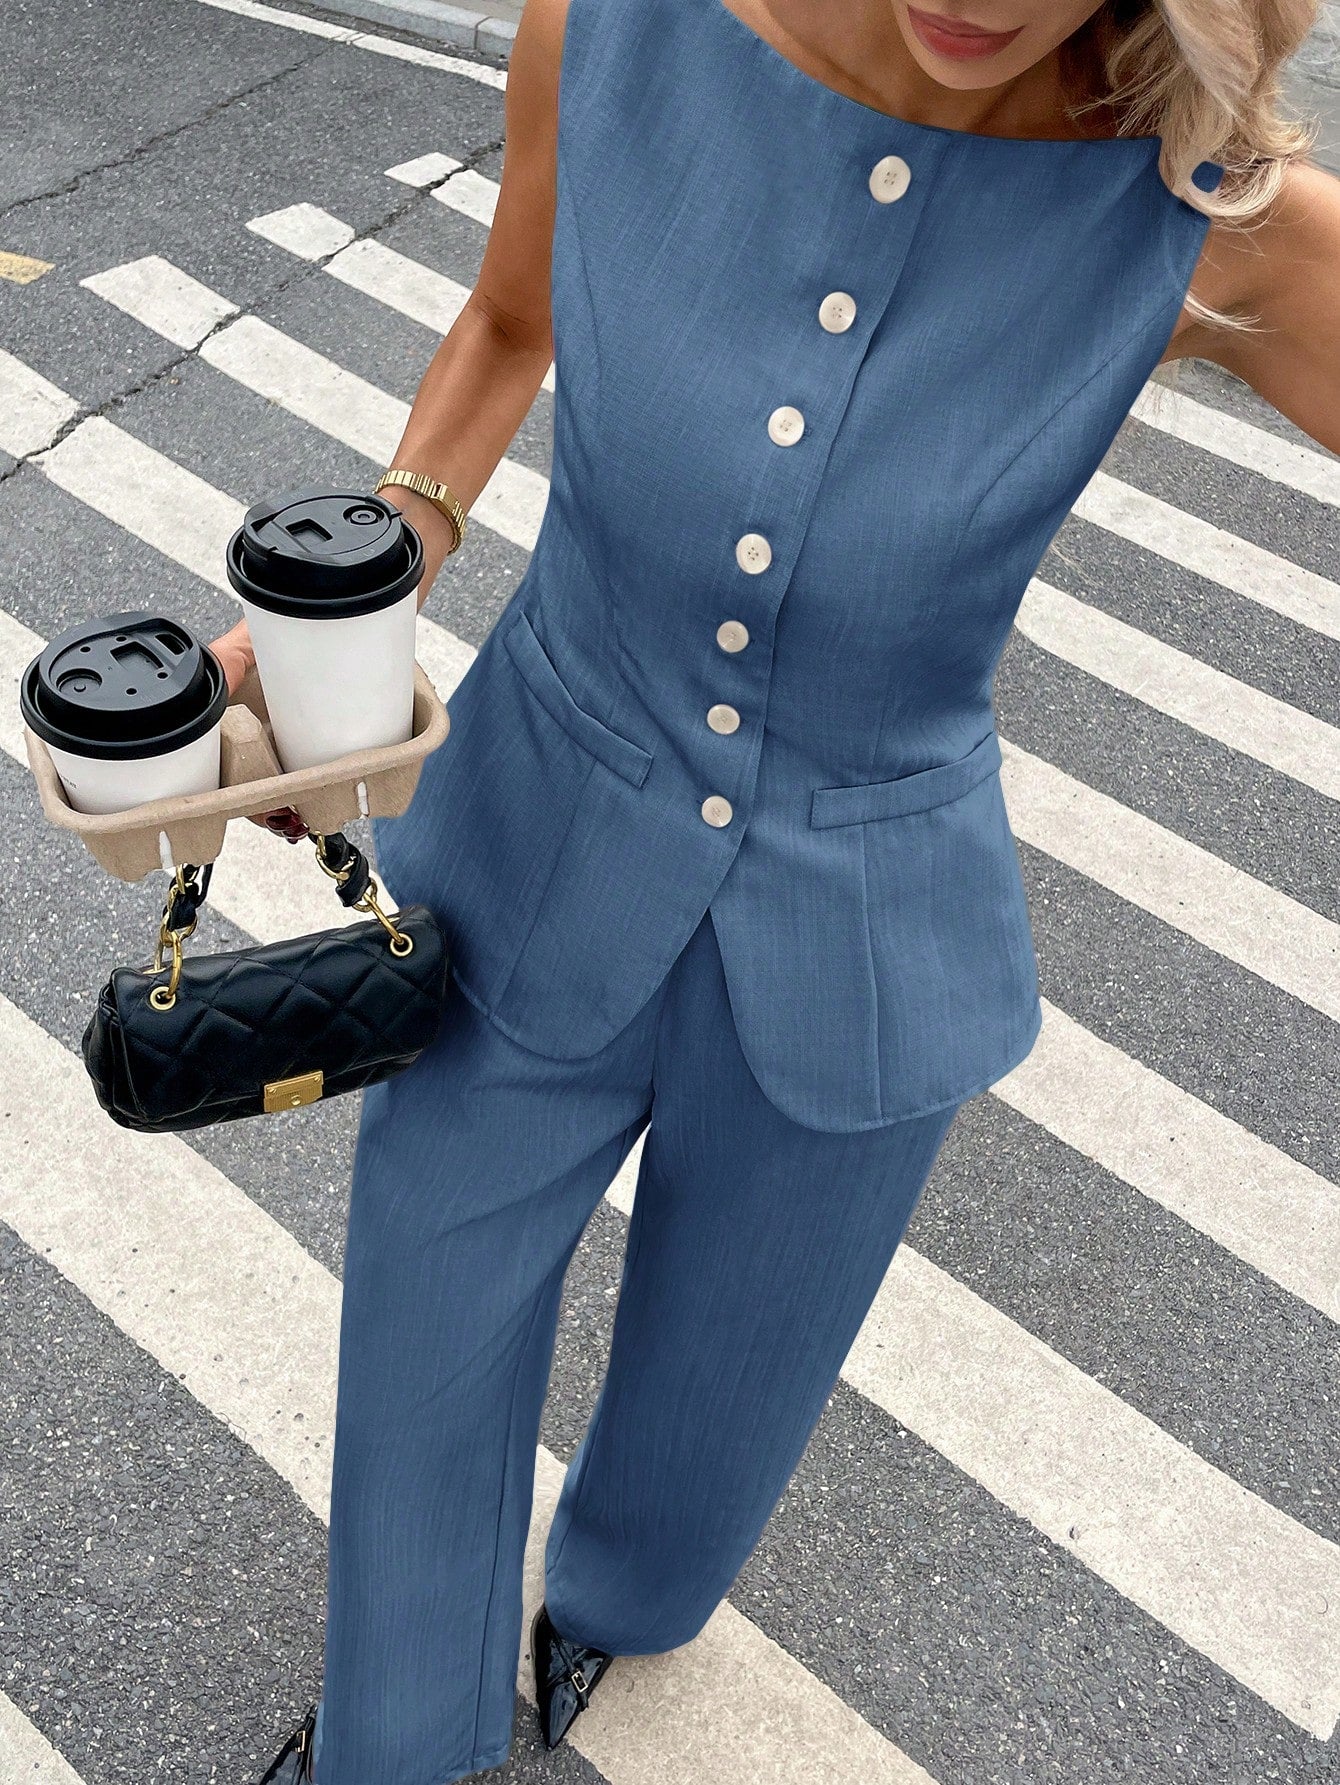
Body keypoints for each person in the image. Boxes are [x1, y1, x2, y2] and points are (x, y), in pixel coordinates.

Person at [207, 1, 1340, 1780]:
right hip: (533, 839)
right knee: (420, 1353)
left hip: (869, 931)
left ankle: (618, 1598)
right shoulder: (617, 29)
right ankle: (396, 1745)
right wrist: (353, 597)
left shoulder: (1203, 197)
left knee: (710, 1428)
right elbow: (507, 321)